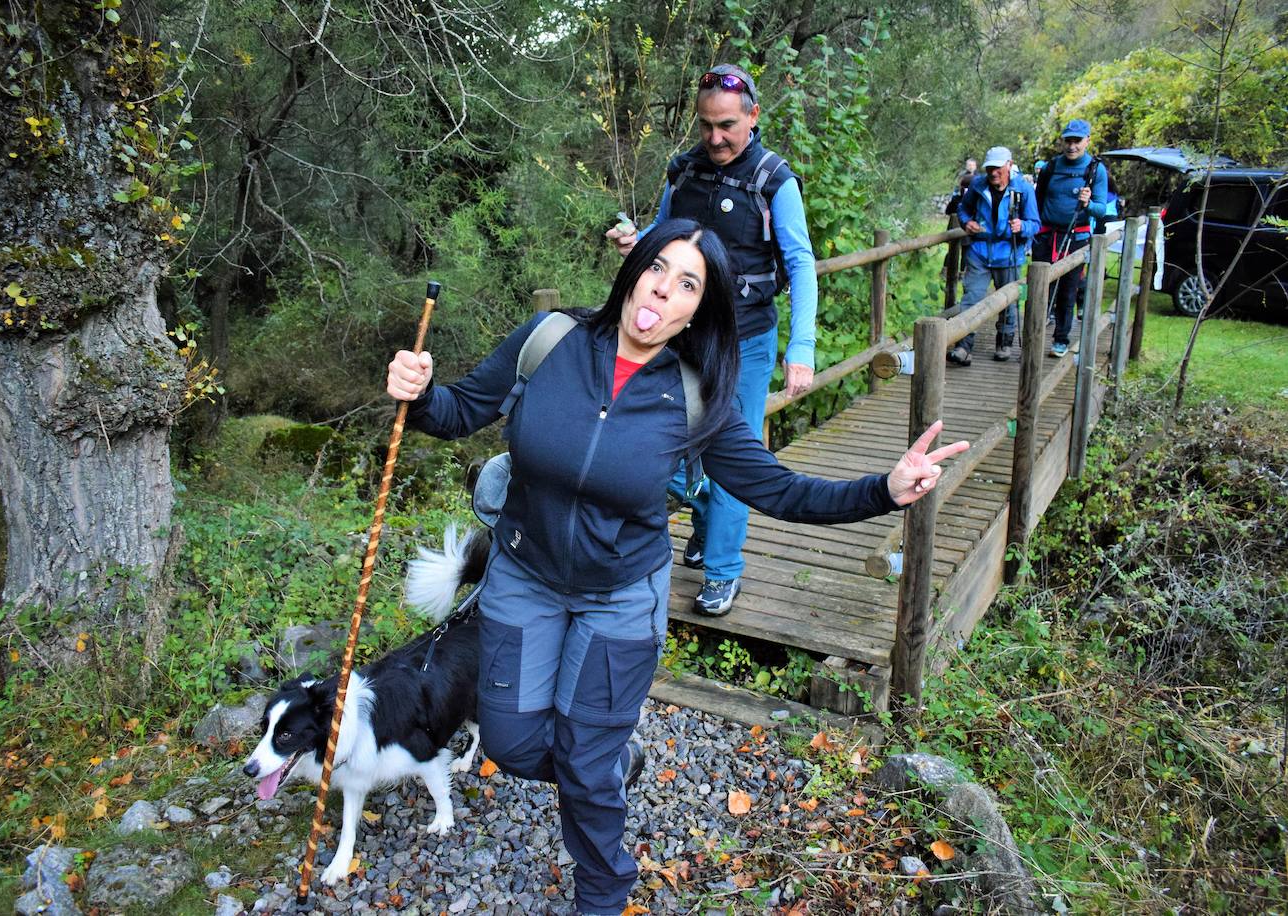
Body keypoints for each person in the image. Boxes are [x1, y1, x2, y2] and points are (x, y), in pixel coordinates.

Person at [386, 220, 968, 916]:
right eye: (657, 266)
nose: (663, 288)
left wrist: (884, 489)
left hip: (620, 596)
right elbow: (459, 410)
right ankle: (606, 764)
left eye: (687, 282)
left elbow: (778, 489)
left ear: (701, 306)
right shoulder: (549, 342)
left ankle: (602, 891)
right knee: (510, 742)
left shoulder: (695, 398)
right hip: (523, 575)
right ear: (633, 266)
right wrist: (419, 394)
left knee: (580, 754)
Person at [603, 63, 816, 617]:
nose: (715, 138)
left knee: (731, 455)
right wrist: (636, 242)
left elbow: (801, 262)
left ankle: (723, 571)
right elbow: (661, 234)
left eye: (726, 125)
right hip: (680, 338)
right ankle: (703, 532)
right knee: (667, 444)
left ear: (753, 116)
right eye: (705, 126)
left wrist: (803, 348)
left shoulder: (775, 181)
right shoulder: (685, 172)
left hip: (744, 342)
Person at [949, 146, 1040, 365]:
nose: (993, 173)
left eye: (998, 168)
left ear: (1009, 165)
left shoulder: (1024, 190)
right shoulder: (977, 185)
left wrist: (1023, 226)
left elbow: (1035, 224)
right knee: (971, 298)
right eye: (990, 168)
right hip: (980, 251)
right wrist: (966, 222)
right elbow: (963, 209)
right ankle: (963, 346)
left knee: (1008, 301)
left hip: (1010, 253)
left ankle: (1004, 343)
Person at [1032, 119, 1108, 358]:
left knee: (1068, 289)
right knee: (1040, 286)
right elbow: (1038, 199)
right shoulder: (1051, 167)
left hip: (1077, 237)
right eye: (1068, 140)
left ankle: (1061, 339)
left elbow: (1102, 209)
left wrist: (1088, 203)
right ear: (1062, 141)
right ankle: (1033, 335)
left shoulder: (1096, 169)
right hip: (1046, 237)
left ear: (1087, 140)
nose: (1072, 146)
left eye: (1077, 141)